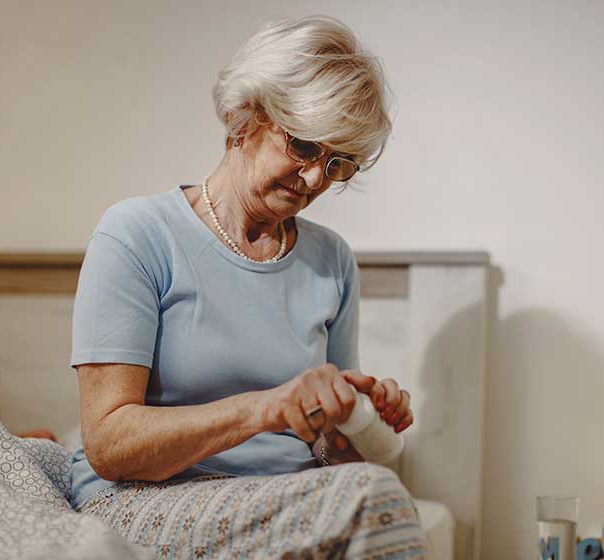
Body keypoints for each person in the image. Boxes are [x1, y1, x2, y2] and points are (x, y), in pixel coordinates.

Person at [70, 14, 429, 558]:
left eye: (338, 165)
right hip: (141, 497)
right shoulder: (137, 233)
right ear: (247, 117)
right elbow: (109, 444)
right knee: (372, 500)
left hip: (279, 499)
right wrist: (266, 408)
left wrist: (355, 421)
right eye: (305, 147)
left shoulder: (332, 261)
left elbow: (334, 462)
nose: (314, 180)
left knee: (370, 493)